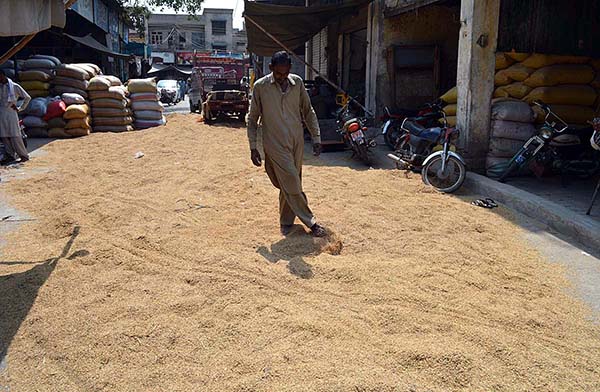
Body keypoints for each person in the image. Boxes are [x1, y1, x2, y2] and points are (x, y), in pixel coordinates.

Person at [247, 51, 327, 237]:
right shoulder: (261, 87)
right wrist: (253, 146)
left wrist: (316, 137)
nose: (282, 78)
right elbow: (252, 119)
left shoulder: (297, 83)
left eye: (285, 74)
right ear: (271, 68)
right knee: (291, 180)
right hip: (274, 143)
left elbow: (308, 111)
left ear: (289, 70)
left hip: (296, 142)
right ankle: (312, 222)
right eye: (278, 74)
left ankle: (286, 221)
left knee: (290, 182)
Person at [0, 69, 30, 165]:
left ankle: (23, 155)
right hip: (1, 113)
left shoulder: (14, 86)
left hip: (11, 113)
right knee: (4, 136)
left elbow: (27, 97)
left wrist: (20, 108)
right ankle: (10, 155)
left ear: (3, 75)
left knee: (15, 135)